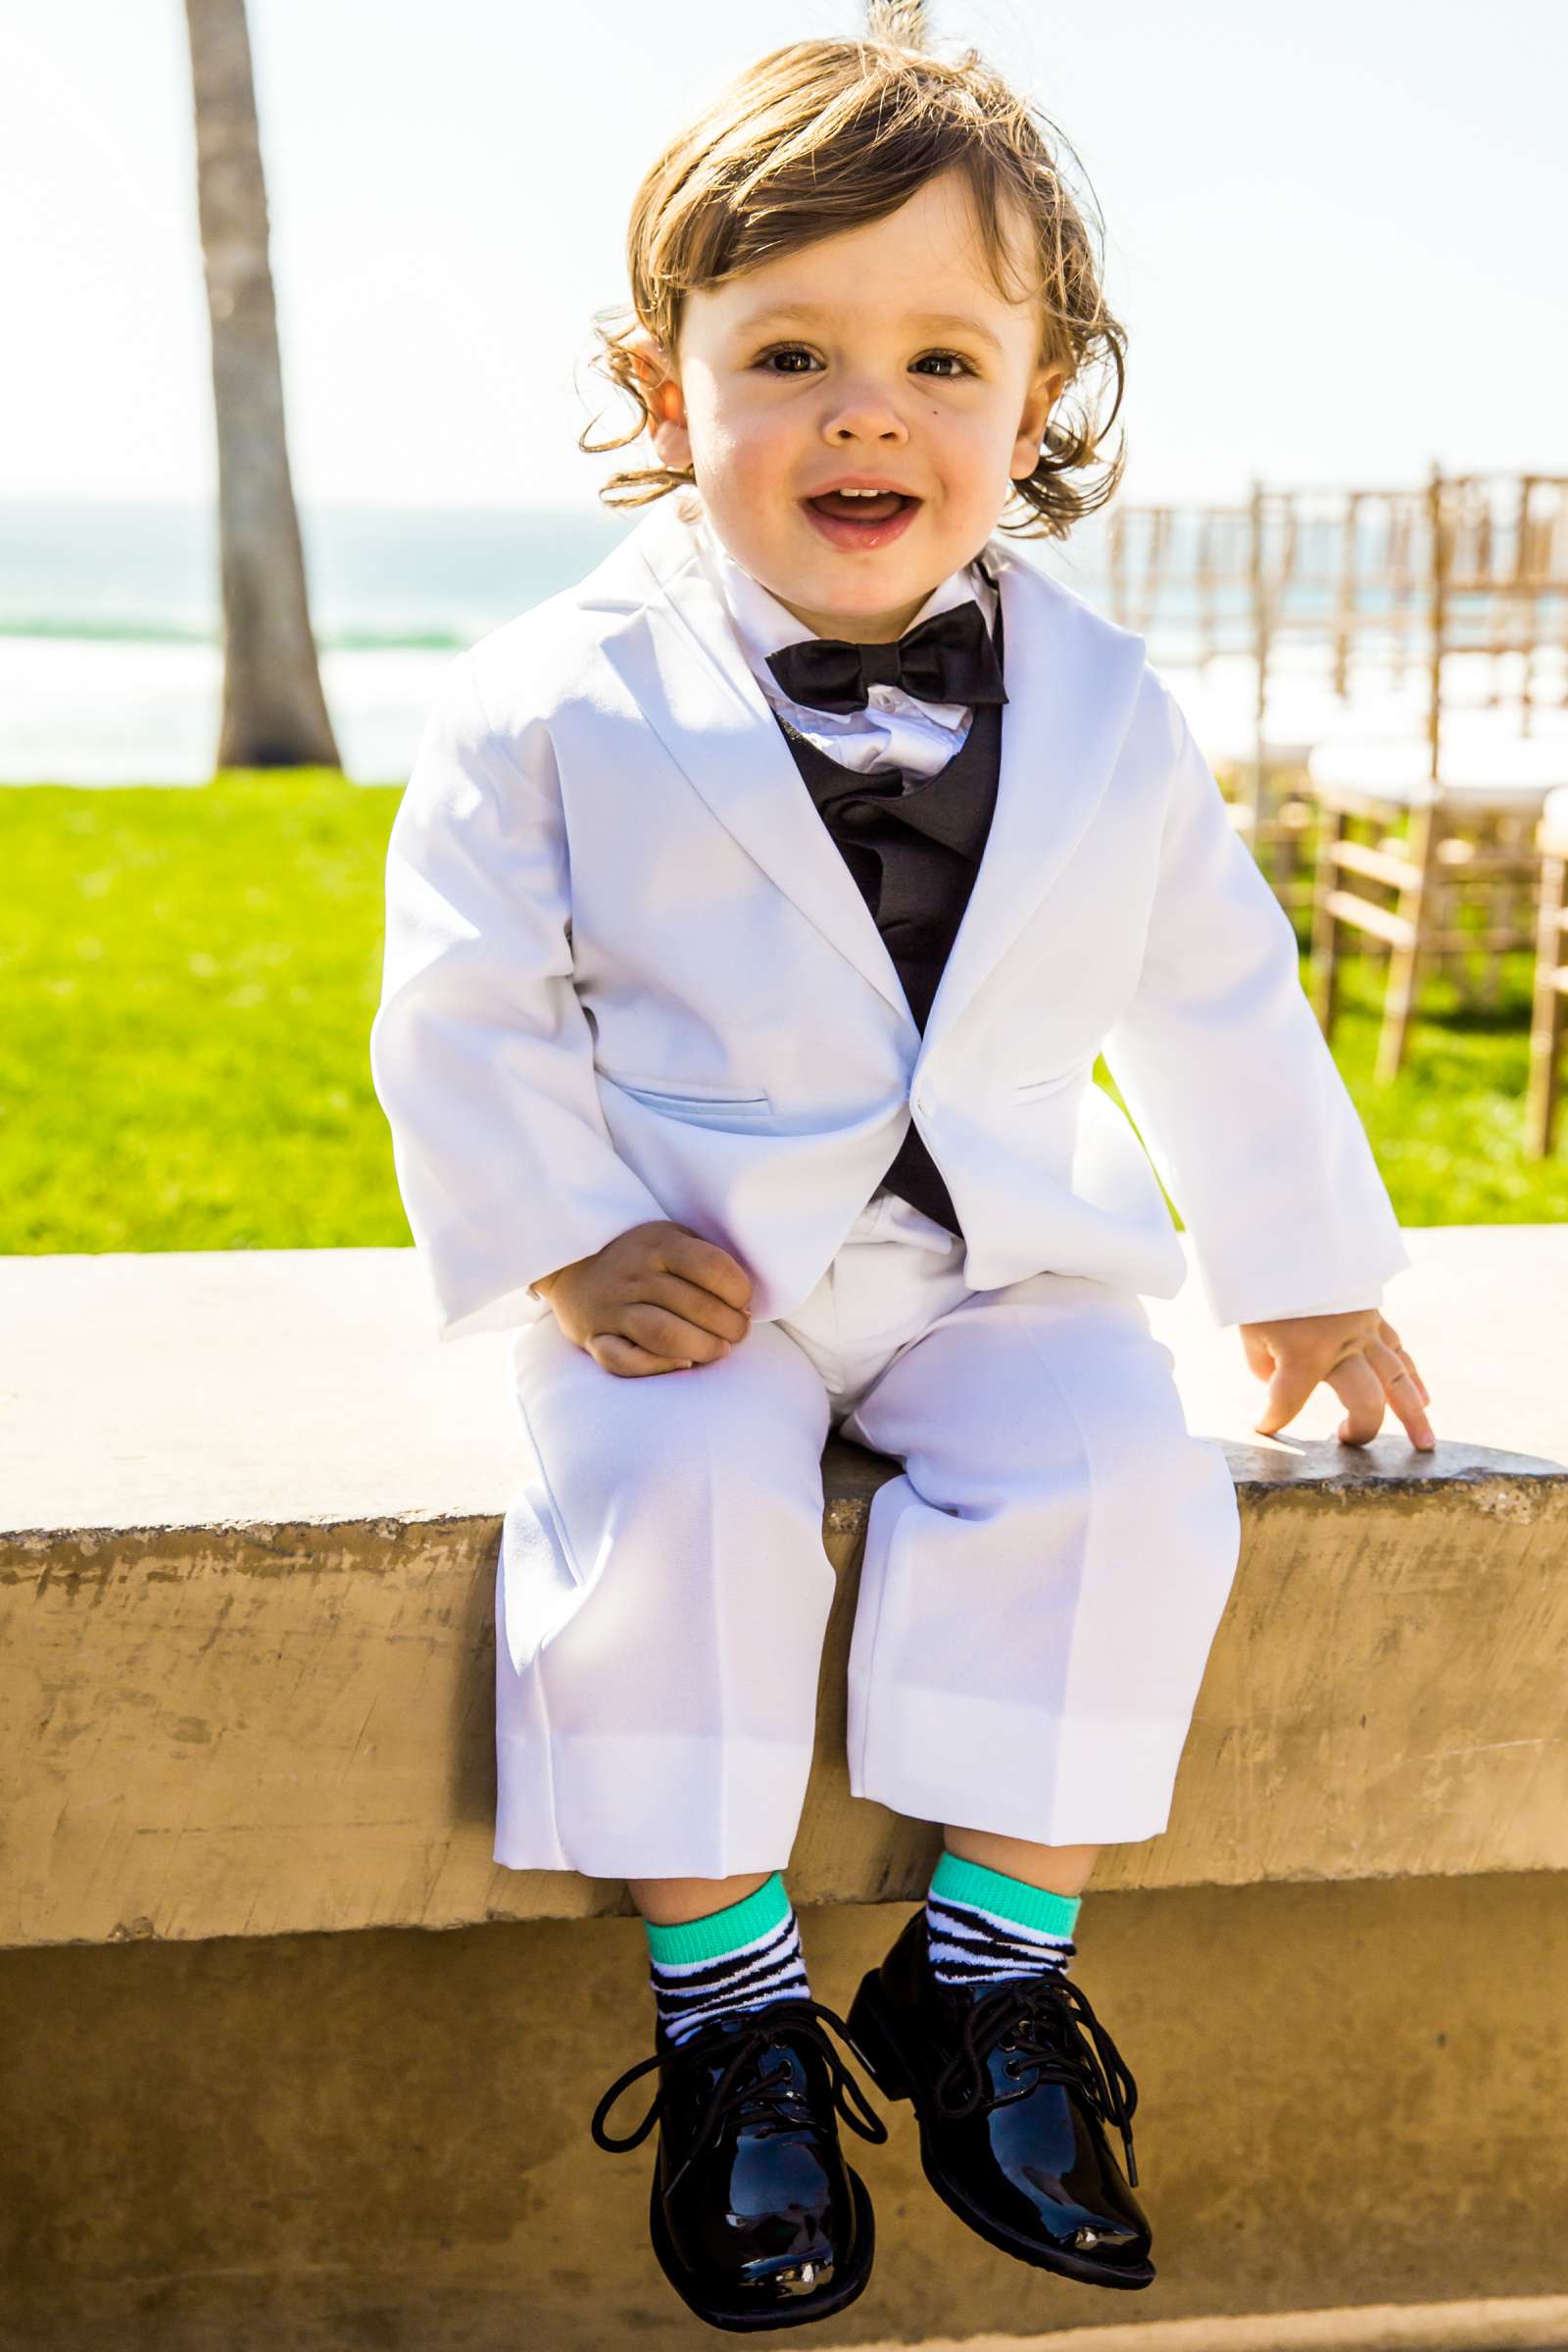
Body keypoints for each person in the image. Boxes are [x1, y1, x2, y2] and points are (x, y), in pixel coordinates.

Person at [369, 3, 1434, 2332]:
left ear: (1036, 400)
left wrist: (1298, 1264)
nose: (870, 410)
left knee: (1119, 1482)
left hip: (991, 1271)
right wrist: (564, 1243)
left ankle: (982, 1978)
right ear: (668, 391)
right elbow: (459, 1002)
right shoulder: (546, 698)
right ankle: (732, 2003)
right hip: (693, 1271)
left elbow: (1213, 989)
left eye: (944, 358)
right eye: (788, 352)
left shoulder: (1104, 702)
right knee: (669, 1514)